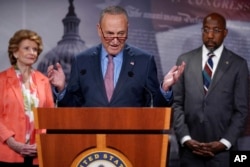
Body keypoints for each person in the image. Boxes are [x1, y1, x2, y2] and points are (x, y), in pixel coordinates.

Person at [47, 5, 185, 107]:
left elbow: (155, 106)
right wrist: (61, 89)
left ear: (127, 29)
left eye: (120, 34)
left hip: (130, 139)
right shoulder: (82, 60)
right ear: (99, 30)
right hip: (91, 139)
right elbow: (72, 107)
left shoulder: (144, 61)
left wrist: (164, 89)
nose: (115, 40)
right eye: (109, 34)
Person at [172, 12, 249, 167]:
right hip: (190, 153)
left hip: (224, 155)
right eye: (206, 30)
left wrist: (224, 143)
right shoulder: (185, 60)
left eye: (216, 31)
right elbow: (176, 104)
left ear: (225, 33)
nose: (210, 35)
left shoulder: (238, 65)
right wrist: (186, 139)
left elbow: (241, 110)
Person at [0, 29, 54, 167]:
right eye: (27, 48)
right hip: (8, 152)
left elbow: (49, 116)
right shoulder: (2, 79)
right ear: (15, 52)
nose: (32, 52)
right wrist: (13, 143)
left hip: (37, 154)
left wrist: (41, 143)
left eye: (35, 49)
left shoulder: (43, 81)